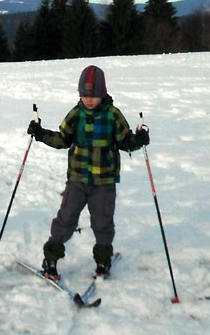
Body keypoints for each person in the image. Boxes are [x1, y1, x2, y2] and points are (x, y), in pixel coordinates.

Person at [26, 64, 149, 279]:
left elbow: (125, 141)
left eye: (94, 95)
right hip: (77, 180)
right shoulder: (76, 115)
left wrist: (137, 140)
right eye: (85, 95)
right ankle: (51, 258)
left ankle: (103, 260)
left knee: (103, 223)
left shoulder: (113, 115)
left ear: (103, 93)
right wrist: (41, 133)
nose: (89, 100)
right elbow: (62, 139)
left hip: (104, 182)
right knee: (65, 219)